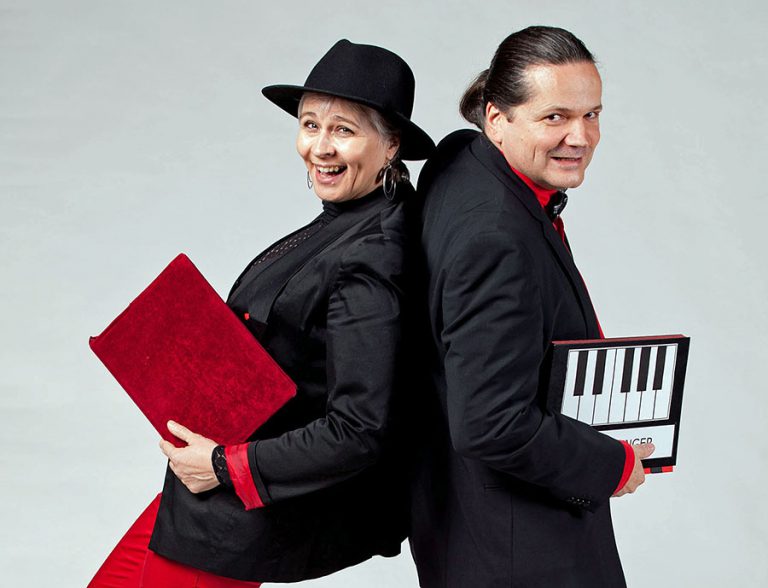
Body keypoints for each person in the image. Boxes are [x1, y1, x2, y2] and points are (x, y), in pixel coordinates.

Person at [88, 39, 434, 587]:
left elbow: (360, 429)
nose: (319, 147)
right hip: (204, 492)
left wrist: (222, 465)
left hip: (241, 509)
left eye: (344, 130)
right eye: (310, 125)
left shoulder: (375, 252)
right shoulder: (348, 218)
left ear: (391, 145)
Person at [409, 26, 654, 588]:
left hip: (468, 524)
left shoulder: (460, 158)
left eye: (592, 114)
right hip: (518, 550)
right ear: (497, 119)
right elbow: (490, 423)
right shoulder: (496, 240)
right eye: (555, 117)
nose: (580, 136)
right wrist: (612, 464)